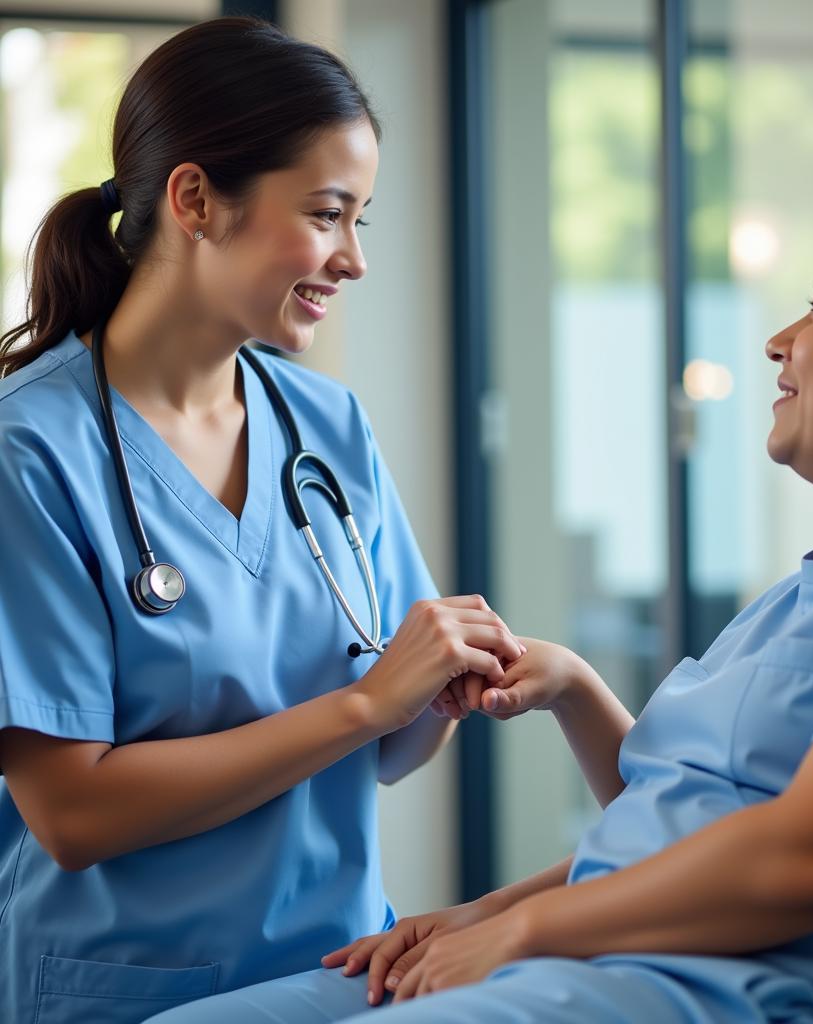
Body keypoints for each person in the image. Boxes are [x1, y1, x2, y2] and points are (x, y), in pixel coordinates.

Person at [147, 181, 813, 1024]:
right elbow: (668, 818)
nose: (780, 341)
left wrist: (527, 929)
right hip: (614, 963)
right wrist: (492, 902)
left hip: (727, 993)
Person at [0, 17, 524, 1024]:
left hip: (338, 975)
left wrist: (435, 691)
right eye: (328, 215)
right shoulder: (33, 452)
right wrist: (366, 705)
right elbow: (72, 812)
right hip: (121, 991)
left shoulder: (326, 423)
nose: (354, 259)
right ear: (195, 199)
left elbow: (387, 742)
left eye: (361, 219)